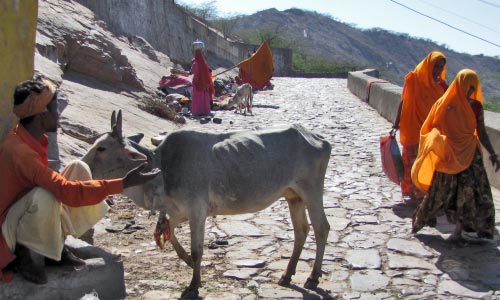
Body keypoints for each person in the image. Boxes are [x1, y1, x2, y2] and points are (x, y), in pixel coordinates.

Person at [0, 78, 161, 284]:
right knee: (43, 197)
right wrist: (123, 183)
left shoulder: (32, 139)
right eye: (55, 109)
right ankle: (28, 257)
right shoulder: (20, 152)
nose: (58, 114)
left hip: (21, 215)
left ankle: (55, 245)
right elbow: (65, 191)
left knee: (79, 168)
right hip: (7, 232)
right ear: (42, 115)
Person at [411, 69, 500, 242]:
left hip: (469, 156)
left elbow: (481, 131)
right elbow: (433, 126)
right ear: (460, 84)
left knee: (471, 193)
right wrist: (437, 142)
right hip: (450, 155)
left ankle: (461, 230)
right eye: (468, 86)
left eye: (473, 87)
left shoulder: (475, 106)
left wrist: (493, 154)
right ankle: (419, 221)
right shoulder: (445, 104)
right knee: (439, 192)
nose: (470, 91)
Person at [392, 51, 448, 205]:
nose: (437, 70)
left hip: (432, 132)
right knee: (412, 162)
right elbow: (404, 102)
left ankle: (424, 192)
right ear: (428, 65)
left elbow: (447, 108)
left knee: (428, 163)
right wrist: (396, 124)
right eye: (435, 66)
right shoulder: (414, 80)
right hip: (413, 128)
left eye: (440, 67)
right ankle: (414, 192)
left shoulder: (442, 86)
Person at [189, 40, 214, 116]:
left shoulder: (195, 63)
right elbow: (208, 71)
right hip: (204, 84)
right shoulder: (204, 63)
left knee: (197, 97)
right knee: (204, 97)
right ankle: (205, 111)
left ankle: (197, 111)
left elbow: (191, 72)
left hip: (197, 83)